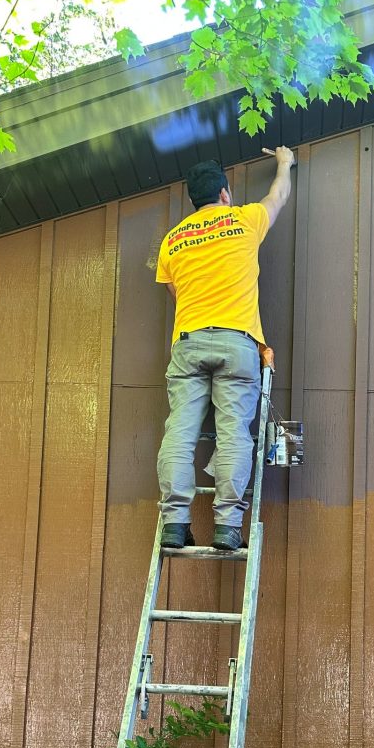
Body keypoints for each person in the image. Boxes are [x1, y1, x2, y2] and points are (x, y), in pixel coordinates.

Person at [155, 146, 295, 551]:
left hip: (189, 342)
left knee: (180, 433)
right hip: (237, 342)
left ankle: (174, 523)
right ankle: (228, 525)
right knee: (233, 433)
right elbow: (278, 197)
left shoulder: (173, 240)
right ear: (224, 193)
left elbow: (176, 295)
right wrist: (285, 163)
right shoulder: (244, 219)